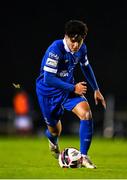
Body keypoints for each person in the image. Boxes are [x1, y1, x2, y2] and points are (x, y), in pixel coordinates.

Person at [36, 20, 106, 169]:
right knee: (55, 130)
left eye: (79, 41)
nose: (75, 45)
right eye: (72, 41)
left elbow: (86, 67)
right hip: (48, 93)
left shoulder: (82, 49)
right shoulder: (55, 49)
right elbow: (48, 78)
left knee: (86, 114)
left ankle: (84, 157)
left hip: (68, 91)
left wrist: (96, 89)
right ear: (66, 37)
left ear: (83, 39)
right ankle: (52, 140)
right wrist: (73, 87)